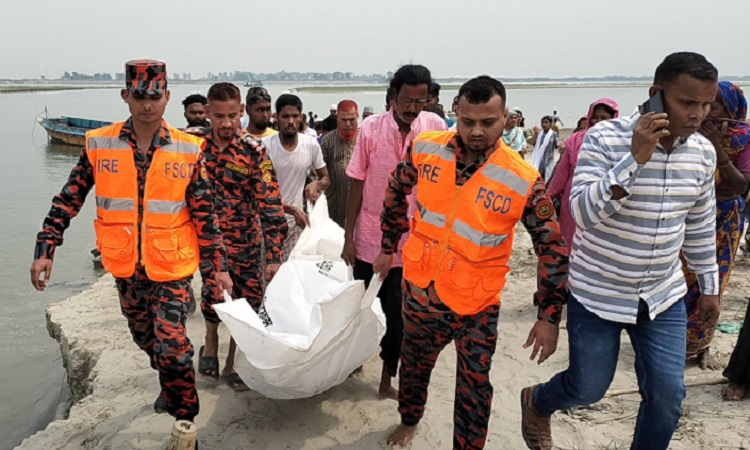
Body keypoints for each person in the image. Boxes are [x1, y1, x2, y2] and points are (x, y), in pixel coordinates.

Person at [521, 52, 721, 450]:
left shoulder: (702, 152)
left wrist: (710, 285)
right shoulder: (604, 138)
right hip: (598, 293)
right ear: (656, 95)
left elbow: (699, 224)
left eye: (706, 104)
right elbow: (580, 212)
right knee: (588, 387)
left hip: (662, 297)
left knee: (667, 398)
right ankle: (539, 400)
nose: (698, 114)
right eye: (687, 102)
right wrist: (634, 159)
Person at [30, 59, 232, 429]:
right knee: (148, 342)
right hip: (125, 268)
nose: (147, 104)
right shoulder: (100, 144)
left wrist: (217, 268)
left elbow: (206, 215)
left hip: (171, 269)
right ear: (126, 95)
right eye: (139, 96)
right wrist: (46, 249)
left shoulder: (188, 149)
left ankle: (185, 425)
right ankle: (170, 380)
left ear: (167, 97)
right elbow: (68, 199)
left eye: (155, 96)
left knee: (172, 350)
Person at [379, 76, 568, 449]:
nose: (477, 131)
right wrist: (389, 243)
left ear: (506, 118)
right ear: (455, 114)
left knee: (474, 389)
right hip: (421, 294)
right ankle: (409, 419)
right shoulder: (425, 148)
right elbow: (396, 187)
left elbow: (551, 246)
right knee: (414, 369)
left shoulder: (522, 178)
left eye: (488, 122)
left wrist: (548, 316)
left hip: (477, 305)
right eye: (468, 122)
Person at [343, 64, 447, 402]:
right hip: (368, 239)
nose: (413, 107)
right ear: (392, 96)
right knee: (360, 307)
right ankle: (353, 361)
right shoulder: (371, 129)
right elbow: (356, 183)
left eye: (420, 100)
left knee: (398, 318)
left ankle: (387, 377)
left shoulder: (435, 128)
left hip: (413, 244)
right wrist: (348, 237)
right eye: (406, 99)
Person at [186, 83, 288, 391]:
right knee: (213, 298)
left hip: (245, 243)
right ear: (207, 113)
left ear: (241, 112)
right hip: (206, 244)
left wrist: (273, 258)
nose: (226, 123)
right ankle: (210, 340)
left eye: (232, 115)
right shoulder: (193, 148)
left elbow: (271, 208)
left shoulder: (253, 152)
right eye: (219, 116)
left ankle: (231, 363)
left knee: (248, 305)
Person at [683, 81, 750, 373]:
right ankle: (672, 343)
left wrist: (718, 151)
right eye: (707, 105)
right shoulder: (690, 134)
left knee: (714, 282)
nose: (709, 113)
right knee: (681, 280)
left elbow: (740, 185)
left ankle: (702, 348)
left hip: (724, 220)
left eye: (717, 106)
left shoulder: (744, 139)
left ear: (733, 110)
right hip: (689, 215)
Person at [262, 94, 329, 260]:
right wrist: (291, 209)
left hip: (296, 224)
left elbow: (326, 178)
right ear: (276, 118)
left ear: (301, 117)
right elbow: (261, 194)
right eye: (285, 116)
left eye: (295, 116)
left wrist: (315, 185)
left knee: (293, 273)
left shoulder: (311, 144)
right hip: (267, 223)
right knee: (268, 278)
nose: (290, 121)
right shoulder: (265, 147)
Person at [547, 98, 619, 247]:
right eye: (595, 117)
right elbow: (561, 176)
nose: (598, 121)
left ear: (613, 119)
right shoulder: (574, 141)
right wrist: (546, 199)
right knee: (572, 245)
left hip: (605, 203)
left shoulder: (620, 144)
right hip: (573, 203)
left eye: (604, 118)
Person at [320, 100, 359, 228]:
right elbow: (319, 171)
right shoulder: (328, 140)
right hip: (334, 204)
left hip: (359, 204)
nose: (348, 124)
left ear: (357, 117)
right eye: (344, 120)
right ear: (338, 119)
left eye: (351, 119)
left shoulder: (364, 138)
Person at [529, 116, 558, 183]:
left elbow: (556, 145)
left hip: (549, 159)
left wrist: (560, 144)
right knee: (538, 177)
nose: (544, 124)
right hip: (539, 159)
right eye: (542, 122)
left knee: (548, 177)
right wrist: (535, 134)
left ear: (550, 124)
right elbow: (533, 143)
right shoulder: (539, 134)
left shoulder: (553, 134)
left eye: (546, 122)